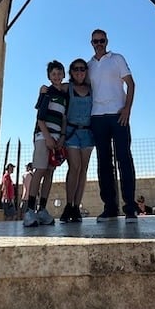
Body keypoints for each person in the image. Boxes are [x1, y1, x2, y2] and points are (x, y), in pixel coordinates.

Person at [87, 29, 137, 223]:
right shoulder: (89, 65)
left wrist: (127, 109)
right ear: (91, 43)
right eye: (95, 41)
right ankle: (109, 207)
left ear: (107, 41)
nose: (99, 43)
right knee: (103, 163)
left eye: (102, 40)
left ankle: (130, 207)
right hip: (97, 117)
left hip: (118, 115)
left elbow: (131, 84)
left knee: (124, 159)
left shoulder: (117, 59)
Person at [23, 60, 68, 228]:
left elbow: (64, 118)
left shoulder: (65, 96)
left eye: (59, 73)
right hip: (43, 135)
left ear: (63, 74)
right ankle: (29, 210)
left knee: (49, 173)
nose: (56, 76)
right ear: (49, 76)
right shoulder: (46, 92)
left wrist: (61, 137)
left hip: (56, 137)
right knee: (40, 170)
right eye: (53, 74)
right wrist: (48, 137)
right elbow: (40, 117)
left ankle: (42, 209)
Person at [59, 58, 94, 223]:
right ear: (71, 72)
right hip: (72, 132)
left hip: (88, 133)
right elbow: (54, 88)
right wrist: (43, 89)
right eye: (76, 69)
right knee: (74, 167)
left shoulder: (92, 89)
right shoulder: (68, 87)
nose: (79, 72)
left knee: (83, 170)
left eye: (82, 69)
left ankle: (76, 207)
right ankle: (68, 204)